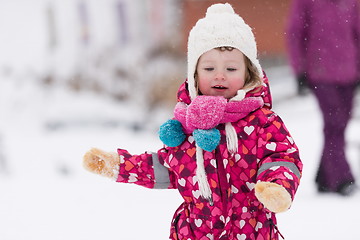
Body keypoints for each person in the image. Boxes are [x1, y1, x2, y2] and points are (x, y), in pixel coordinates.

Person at [83, 3, 303, 239]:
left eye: (231, 68)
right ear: (194, 75)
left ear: (249, 73)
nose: (220, 75)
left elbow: (283, 157)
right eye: (209, 68)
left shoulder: (262, 123)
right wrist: (119, 165)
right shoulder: (188, 125)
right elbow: (167, 167)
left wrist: (277, 185)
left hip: (251, 230)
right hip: (195, 232)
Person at [286, 0, 360, 195]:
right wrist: (299, 70)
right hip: (320, 72)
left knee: (341, 124)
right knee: (334, 122)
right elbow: (295, 33)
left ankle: (325, 177)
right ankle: (342, 177)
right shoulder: (307, 2)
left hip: (349, 73)